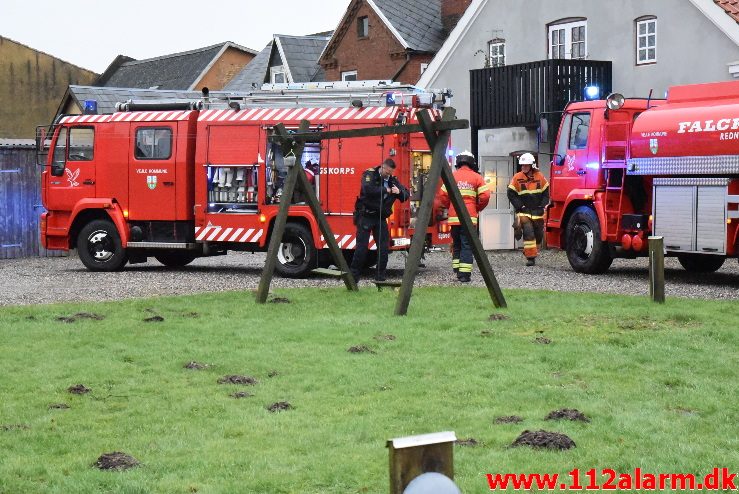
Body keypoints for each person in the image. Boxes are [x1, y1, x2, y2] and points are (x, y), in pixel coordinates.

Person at [350, 158, 409, 283]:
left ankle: (380, 277)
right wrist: (386, 190)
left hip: (380, 217)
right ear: (382, 167)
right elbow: (368, 190)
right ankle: (353, 277)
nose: (388, 175)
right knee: (362, 248)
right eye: (387, 173)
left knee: (383, 248)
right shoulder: (369, 174)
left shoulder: (392, 180)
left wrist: (399, 192)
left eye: (390, 173)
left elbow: (405, 195)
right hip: (366, 216)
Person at [436, 151, 490, 283]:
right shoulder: (477, 177)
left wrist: (451, 206)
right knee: (467, 244)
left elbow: (442, 196)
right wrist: (476, 208)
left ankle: (457, 269)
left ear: (458, 162)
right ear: (472, 163)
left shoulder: (451, 176)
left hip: (454, 218)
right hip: (469, 217)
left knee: (457, 243)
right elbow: (486, 196)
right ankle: (464, 275)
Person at [507, 152, 549, 266]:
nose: (523, 167)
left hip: (537, 211)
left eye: (526, 165)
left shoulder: (540, 177)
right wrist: (520, 206)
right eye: (522, 165)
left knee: (539, 234)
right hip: (524, 211)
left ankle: (532, 251)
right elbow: (511, 193)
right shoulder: (517, 177)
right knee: (528, 232)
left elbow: (546, 192)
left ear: (532, 166)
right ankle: (531, 258)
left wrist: (542, 205)